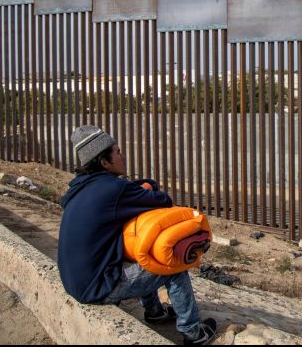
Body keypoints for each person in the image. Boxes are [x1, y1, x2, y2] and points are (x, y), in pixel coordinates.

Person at [57, 125, 216, 345]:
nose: (122, 155)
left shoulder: (79, 188)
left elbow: (131, 194)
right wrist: (149, 186)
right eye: (118, 152)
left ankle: (154, 312)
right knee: (175, 266)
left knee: (136, 246)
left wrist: (139, 187)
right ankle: (192, 333)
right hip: (98, 288)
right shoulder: (114, 189)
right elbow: (163, 201)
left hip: (76, 281)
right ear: (104, 162)